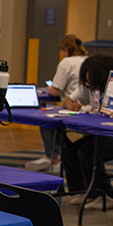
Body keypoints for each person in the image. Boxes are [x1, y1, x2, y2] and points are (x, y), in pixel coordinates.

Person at [59, 54, 113, 206]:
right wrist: (71, 106)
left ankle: (106, 196)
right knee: (69, 150)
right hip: (102, 133)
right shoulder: (90, 84)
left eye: (91, 81)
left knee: (87, 152)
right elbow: (67, 100)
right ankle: (84, 192)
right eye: (87, 81)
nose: (89, 85)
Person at [27, 34, 88, 174]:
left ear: (65, 49)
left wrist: (50, 88)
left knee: (46, 119)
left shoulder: (66, 63)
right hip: (90, 108)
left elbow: (55, 91)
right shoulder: (88, 60)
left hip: (71, 108)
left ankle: (53, 157)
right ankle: (53, 156)